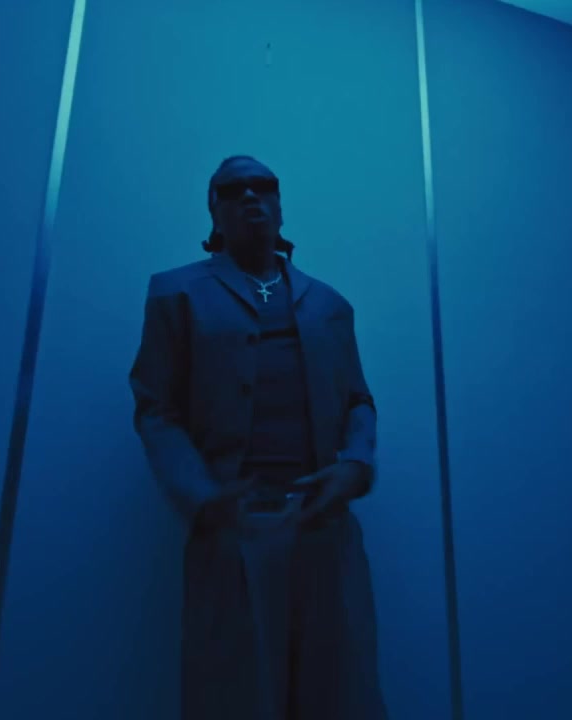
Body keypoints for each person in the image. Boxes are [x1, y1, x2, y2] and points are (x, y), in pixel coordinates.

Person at [129, 155, 389, 719]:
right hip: (234, 530)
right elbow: (155, 408)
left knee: (339, 692)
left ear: (280, 206)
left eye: (263, 187)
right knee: (236, 694)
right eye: (233, 190)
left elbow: (358, 400)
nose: (250, 197)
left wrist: (355, 464)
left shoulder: (329, 304)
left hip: (324, 528)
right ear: (214, 214)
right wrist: (201, 496)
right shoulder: (176, 294)